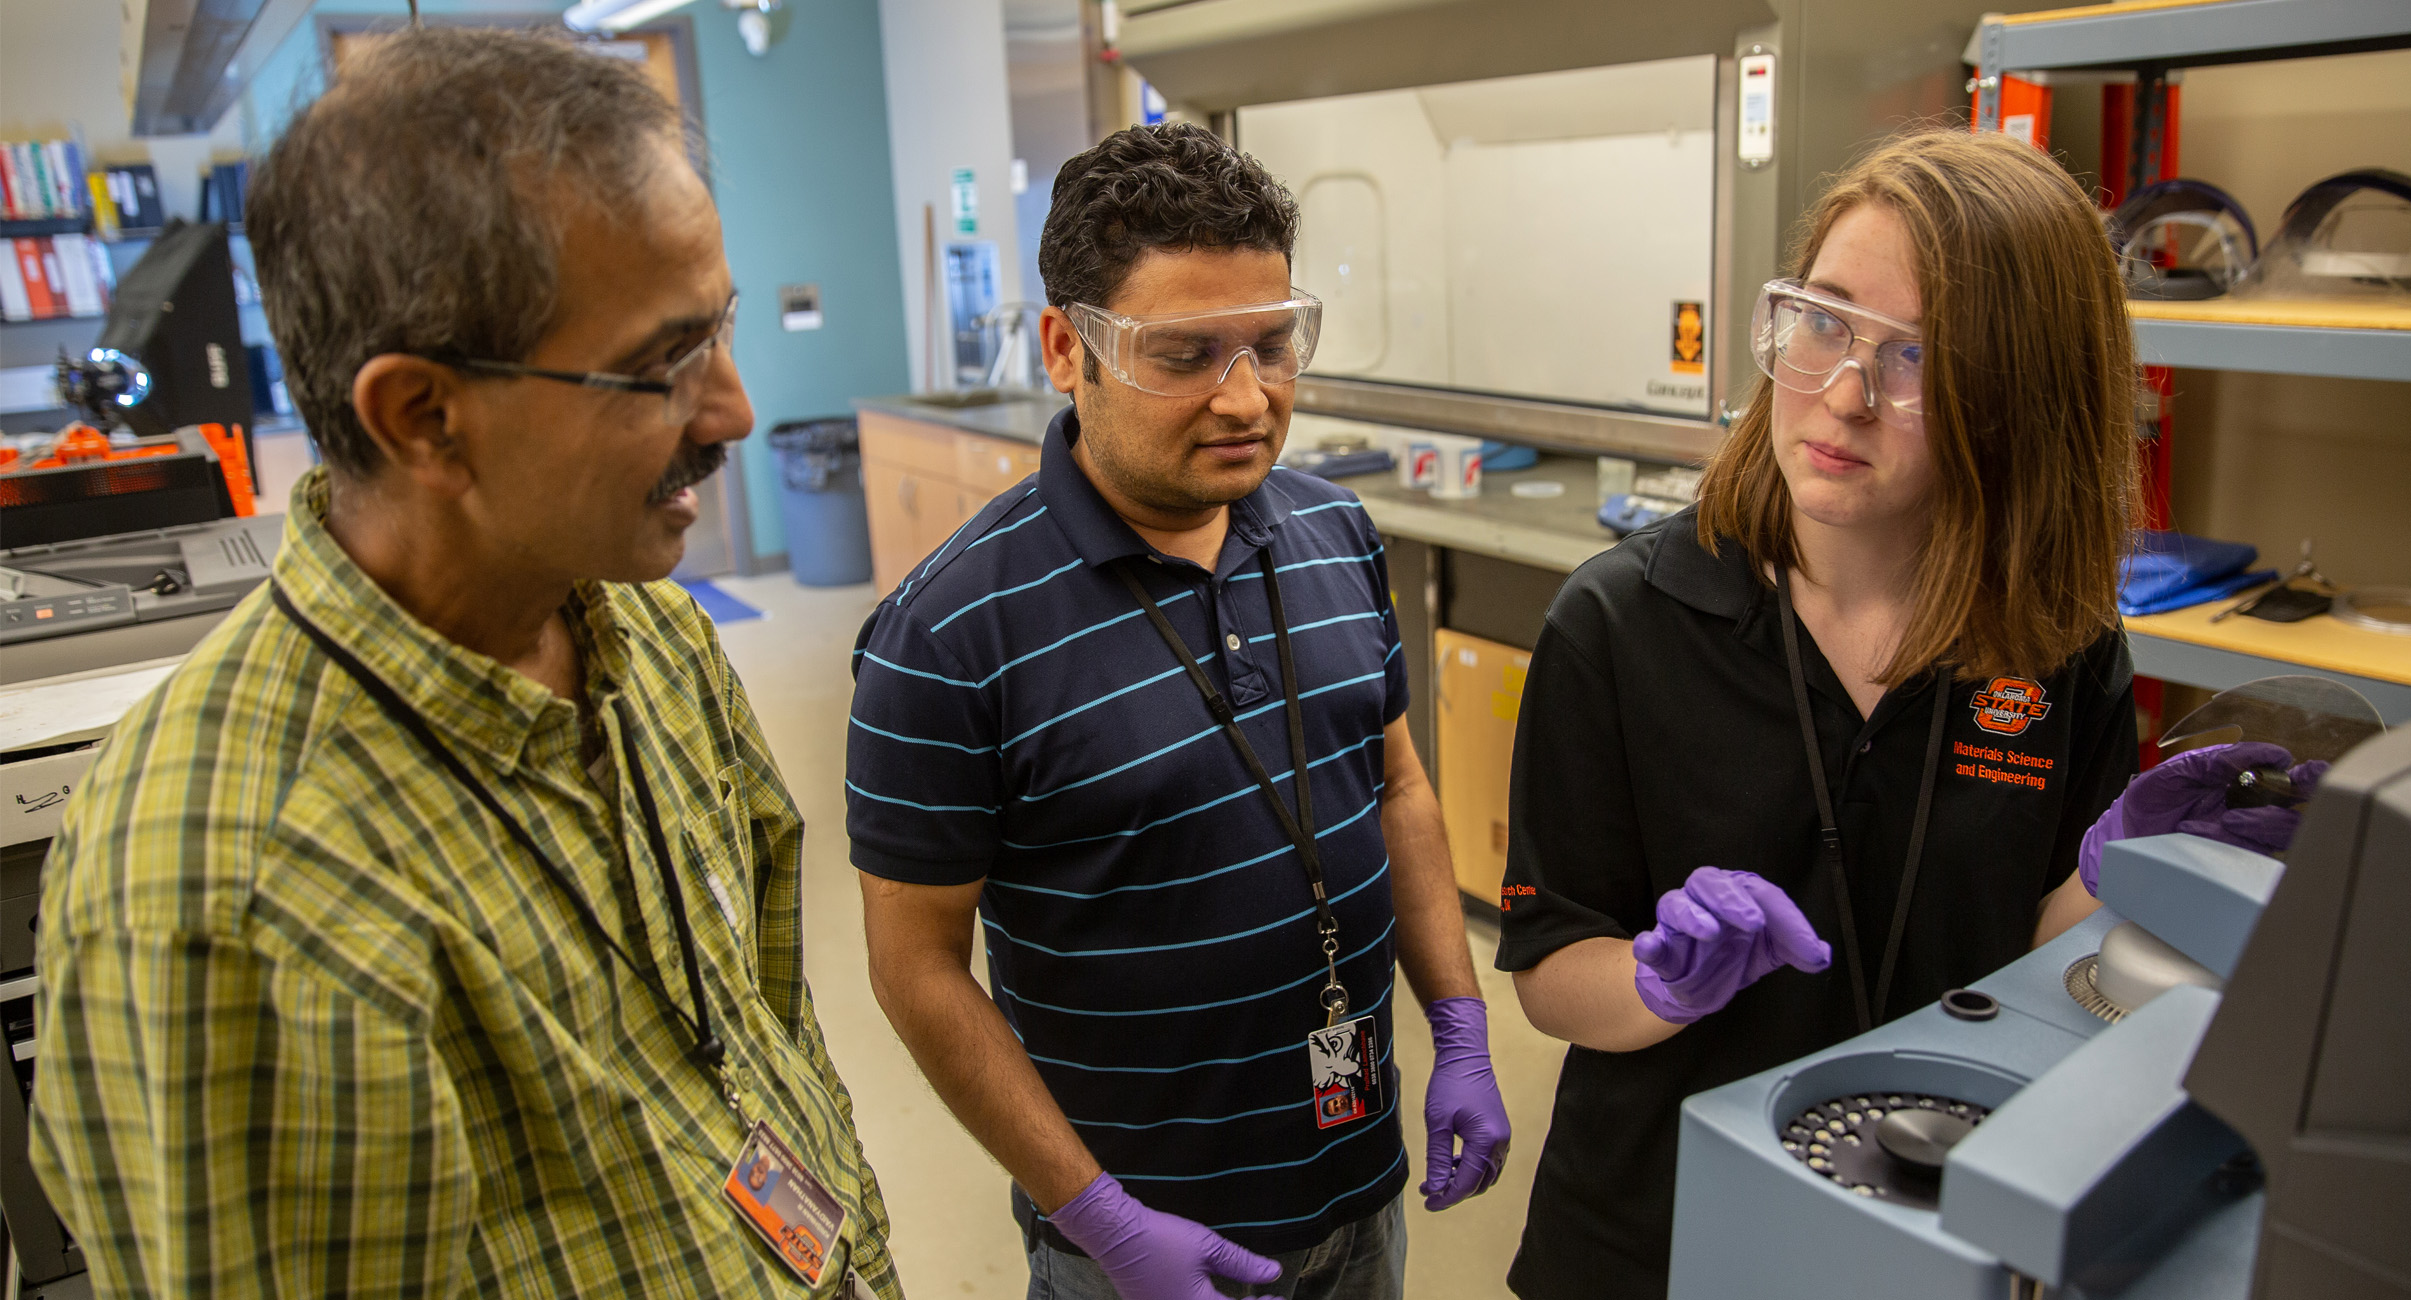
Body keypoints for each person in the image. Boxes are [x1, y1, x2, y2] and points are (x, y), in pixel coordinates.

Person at [30, 28, 899, 1299]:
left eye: (718, 326)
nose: (733, 412)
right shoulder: (238, 893)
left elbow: (761, 1028)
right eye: (663, 366)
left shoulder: (645, 636)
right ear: (424, 416)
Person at [1493, 130, 2302, 1298]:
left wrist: (2130, 865)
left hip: (1940, 1215)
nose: (1844, 394)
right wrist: (1659, 981)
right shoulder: (1619, 623)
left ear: (2023, 398)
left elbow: (2042, 941)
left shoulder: (2056, 638)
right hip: (1654, 1232)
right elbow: (1551, 969)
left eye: (1918, 356)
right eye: (1822, 320)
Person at [849, 122, 1509, 1300]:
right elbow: (916, 968)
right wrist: (1094, 1213)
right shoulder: (948, 633)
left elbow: (1396, 784)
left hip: (1356, 1181)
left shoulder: (1335, 532)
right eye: (1185, 353)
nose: (1246, 396)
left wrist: (1456, 1022)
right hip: (1135, 1235)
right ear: (1067, 348)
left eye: (1271, 342)